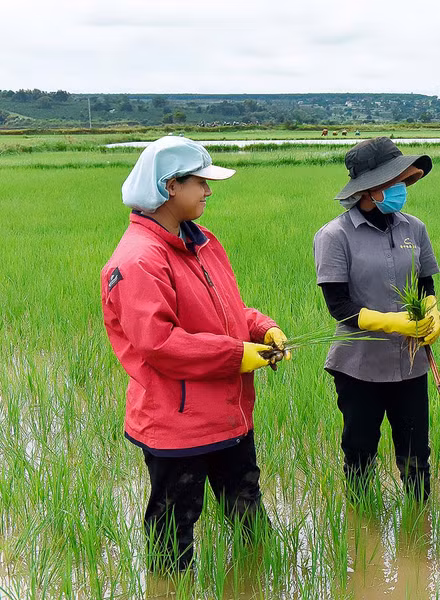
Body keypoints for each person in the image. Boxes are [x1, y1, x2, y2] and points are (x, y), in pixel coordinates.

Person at [101, 136, 289, 573]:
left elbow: (227, 310)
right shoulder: (139, 260)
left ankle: (257, 581)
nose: (208, 190)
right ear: (170, 186)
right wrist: (237, 355)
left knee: (247, 509)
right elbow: (159, 343)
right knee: (173, 527)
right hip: (177, 423)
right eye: (200, 182)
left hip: (228, 413)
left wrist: (262, 327)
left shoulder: (202, 241)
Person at [313, 137, 440, 501]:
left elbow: (425, 281)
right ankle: (361, 529)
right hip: (358, 367)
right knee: (359, 450)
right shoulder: (335, 235)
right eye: (393, 181)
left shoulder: (413, 228)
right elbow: (339, 305)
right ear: (368, 189)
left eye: (403, 180)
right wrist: (393, 323)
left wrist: (432, 310)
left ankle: (419, 529)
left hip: (410, 362)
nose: (401, 188)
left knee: (417, 453)